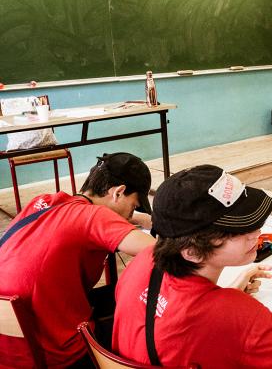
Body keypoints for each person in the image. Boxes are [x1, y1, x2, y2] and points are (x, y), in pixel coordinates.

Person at [112, 165, 272, 368]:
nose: (256, 233)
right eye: (240, 229)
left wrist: (227, 295)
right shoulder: (233, 314)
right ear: (192, 251)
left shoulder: (144, 260)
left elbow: (178, 321)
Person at [0, 152, 156, 368]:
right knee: (146, 310)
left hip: (11, 348)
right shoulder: (95, 217)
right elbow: (159, 251)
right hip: (58, 352)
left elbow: (76, 224)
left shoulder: (44, 202)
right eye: (134, 206)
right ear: (118, 192)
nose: (130, 215)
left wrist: (134, 218)